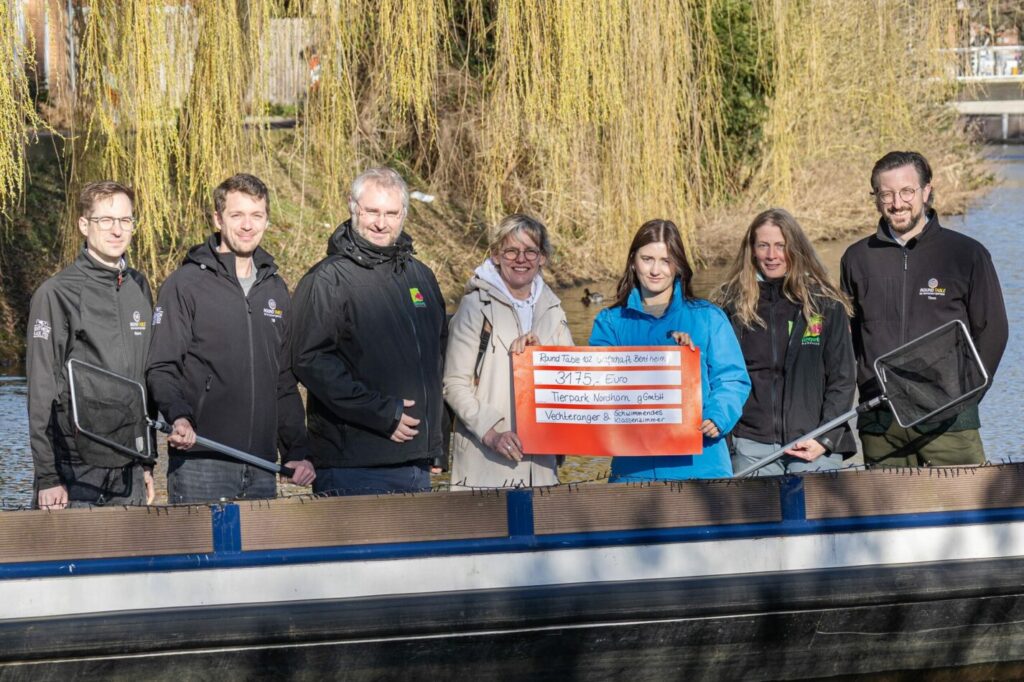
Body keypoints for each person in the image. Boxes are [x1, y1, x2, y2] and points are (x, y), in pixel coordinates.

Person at [146, 174, 315, 503]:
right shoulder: (185, 284)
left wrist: (297, 449)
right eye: (237, 215)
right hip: (202, 463)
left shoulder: (275, 289)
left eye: (256, 216)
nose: (247, 226)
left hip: (263, 467)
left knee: (260, 555)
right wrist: (179, 416)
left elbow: (281, 380)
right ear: (218, 218)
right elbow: (161, 367)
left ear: (266, 220)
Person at [840, 150, 1008, 467]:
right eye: (886, 193)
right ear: (875, 197)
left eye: (907, 191)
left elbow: (993, 332)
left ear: (926, 191)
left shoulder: (966, 254)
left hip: (950, 422)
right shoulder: (856, 258)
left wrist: (966, 397)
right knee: (887, 515)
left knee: (965, 512)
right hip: (881, 423)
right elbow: (847, 341)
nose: (897, 203)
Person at [290, 167, 447, 495]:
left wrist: (437, 441)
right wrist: (383, 413)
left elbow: (436, 360)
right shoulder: (327, 280)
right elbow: (311, 362)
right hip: (354, 464)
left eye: (391, 213)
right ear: (353, 208)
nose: (381, 222)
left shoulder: (420, 277)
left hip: (415, 461)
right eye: (372, 211)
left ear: (403, 214)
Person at [589, 219, 750, 481]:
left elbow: (733, 379)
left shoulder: (708, 317)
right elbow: (598, 387)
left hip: (701, 464)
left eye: (666, 260)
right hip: (634, 470)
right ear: (633, 262)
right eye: (647, 259)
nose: (655, 270)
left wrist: (718, 415)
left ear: (679, 267)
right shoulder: (610, 322)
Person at [26, 181, 155, 508]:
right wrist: (47, 477)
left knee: (130, 559)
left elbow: (144, 379)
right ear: (84, 225)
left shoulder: (138, 287)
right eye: (106, 220)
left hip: (129, 465)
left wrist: (147, 461)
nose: (117, 230)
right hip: (76, 468)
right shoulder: (57, 293)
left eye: (125, 220)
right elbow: (41, 390)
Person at [714, 208, 856, 476]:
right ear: (751, 250)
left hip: (813, 444)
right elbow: (718, 377)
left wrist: (825, 439)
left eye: (781, 246)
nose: (771, 255)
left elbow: (843, 380)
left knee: (815, 514)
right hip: (750, 446)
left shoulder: (826, 303)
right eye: (763, 246)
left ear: (796, 248)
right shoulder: (730, 305)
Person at [443, 214, 573, 488]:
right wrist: (491, 433)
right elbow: (453, 384)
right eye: (511, 251)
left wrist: (543, 360)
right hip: (486, 463)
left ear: (542, 258)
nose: (520, 259)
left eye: (530, 251)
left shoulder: (554, 309)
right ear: (497, 256)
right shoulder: (475, 306)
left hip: (541, 465)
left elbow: (571, 382)